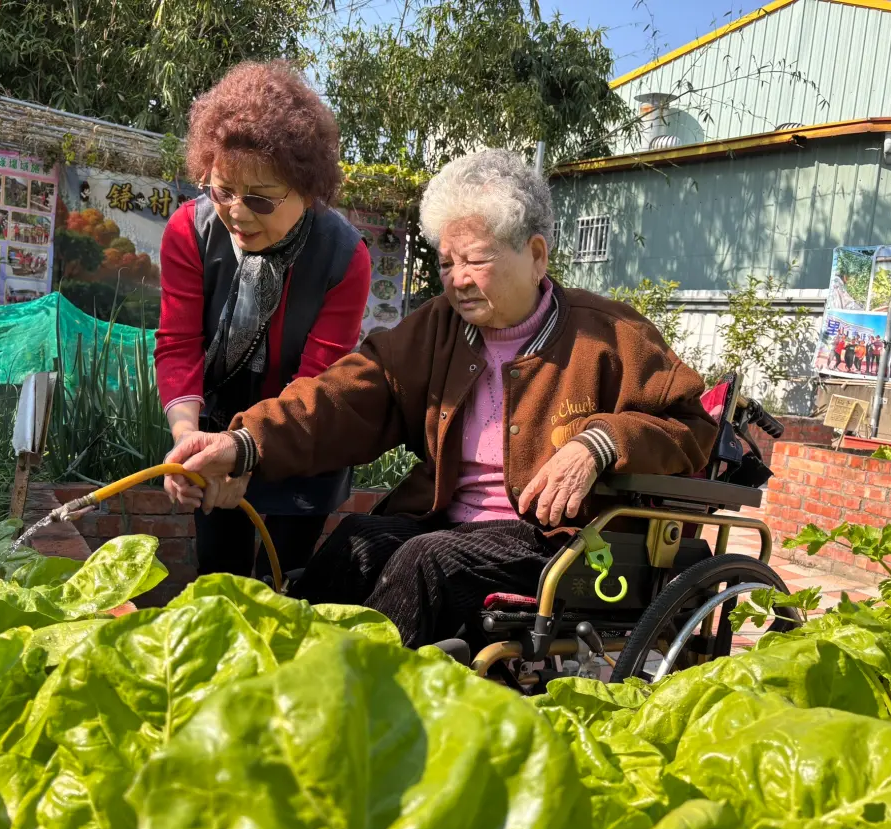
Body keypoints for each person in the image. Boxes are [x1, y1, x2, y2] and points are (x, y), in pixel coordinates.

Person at [166, 149, 718, 649]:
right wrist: (244, 443)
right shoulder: (438, 328)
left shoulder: (609, 334)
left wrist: (599, 443)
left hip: (560, 542)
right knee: (357, 541)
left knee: (423, 563)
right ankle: (294, 676)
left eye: (475, 260)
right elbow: (346, 394)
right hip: (447, 524)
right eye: (446, 263)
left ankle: (362, 708)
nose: (456, 280)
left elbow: (690, 425)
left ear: (536, 255)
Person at [154, 61, 372, 588]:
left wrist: (249, 452)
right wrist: (189, 441)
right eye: (222, 190)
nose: (238, 213)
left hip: (304, 432)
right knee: (219, 578)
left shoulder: (344, 257)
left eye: (261, 199)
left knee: (285, 581)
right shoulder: (189, 231)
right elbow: (179, 346)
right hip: (216, 425)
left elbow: (318, 380)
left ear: (308, 189)